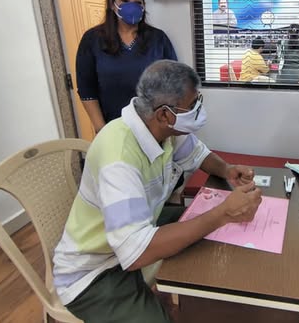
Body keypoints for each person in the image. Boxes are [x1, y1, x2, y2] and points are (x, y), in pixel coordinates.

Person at [53, 60, 262, 323]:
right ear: (164, 114)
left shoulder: (165, 129)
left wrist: (227, 170)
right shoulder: (118, 157)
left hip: (137, 232)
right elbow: (135, 253)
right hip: (95, 272)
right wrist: (223, 214)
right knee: (213, 220)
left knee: (211, 229)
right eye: (193, 104)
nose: (198, 109)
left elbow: (198, 154)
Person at [76, 0, 177, 133]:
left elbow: (174, 81)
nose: (132, 6)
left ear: (143, 6)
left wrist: (168, 123)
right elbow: (86, 89)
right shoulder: (92, 39)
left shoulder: (158, 38)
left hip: (154, 127)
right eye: (125, 0)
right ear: (112, 4)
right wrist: (101, 129)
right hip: (113, 127)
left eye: (138, 2)